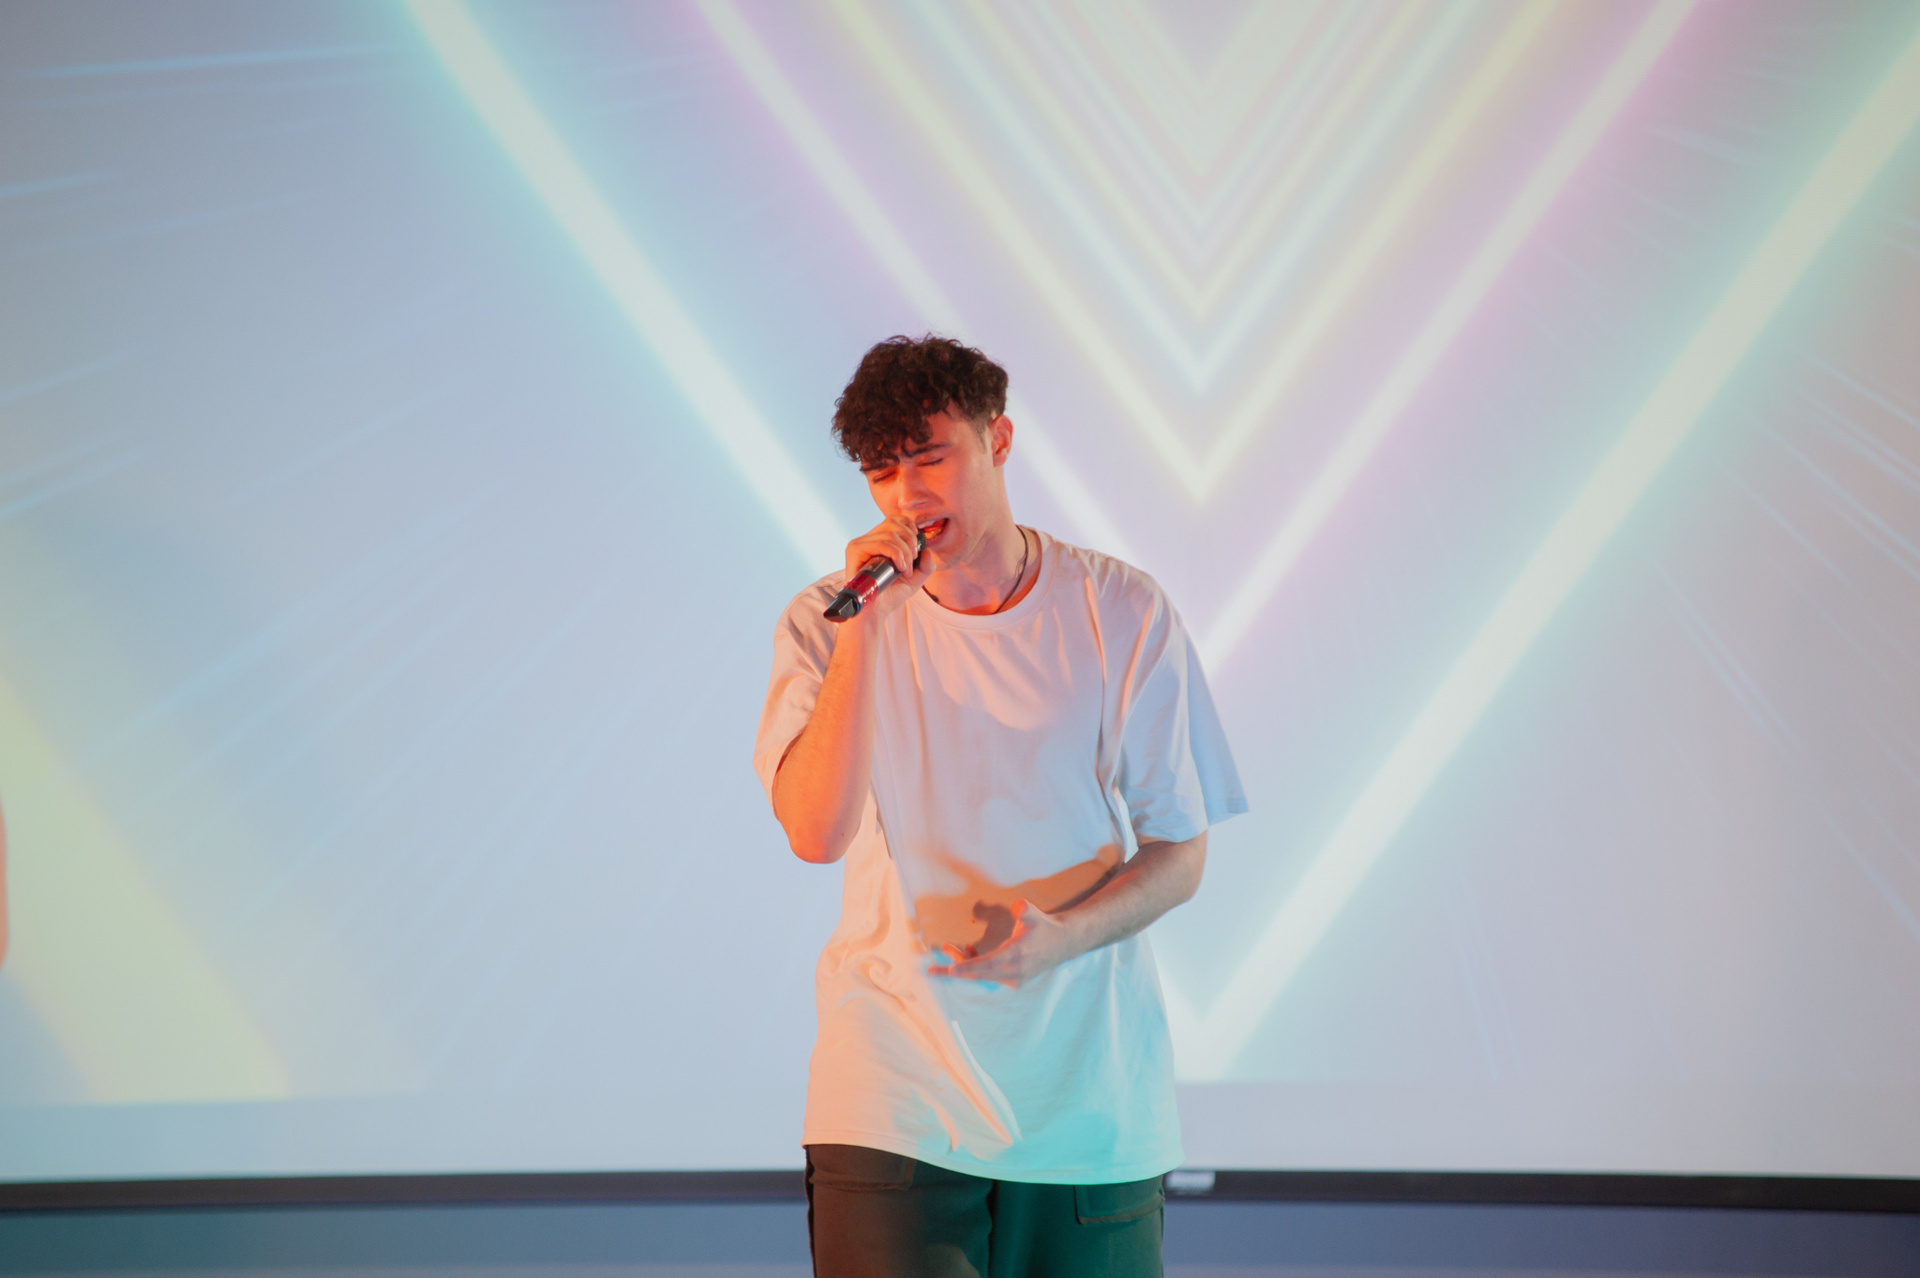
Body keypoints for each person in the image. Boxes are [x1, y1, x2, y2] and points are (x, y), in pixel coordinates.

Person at [754, 335, 1245, 1277]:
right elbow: (814, 832)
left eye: (929, 457)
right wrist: (865, 630)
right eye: (881, 471)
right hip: (893, 1094)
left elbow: (1181, 851)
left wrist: (1062, 938)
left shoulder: (1120, 609)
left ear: (1000, 440)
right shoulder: (830, 621)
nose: (907, 495)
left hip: (1087, 1102)